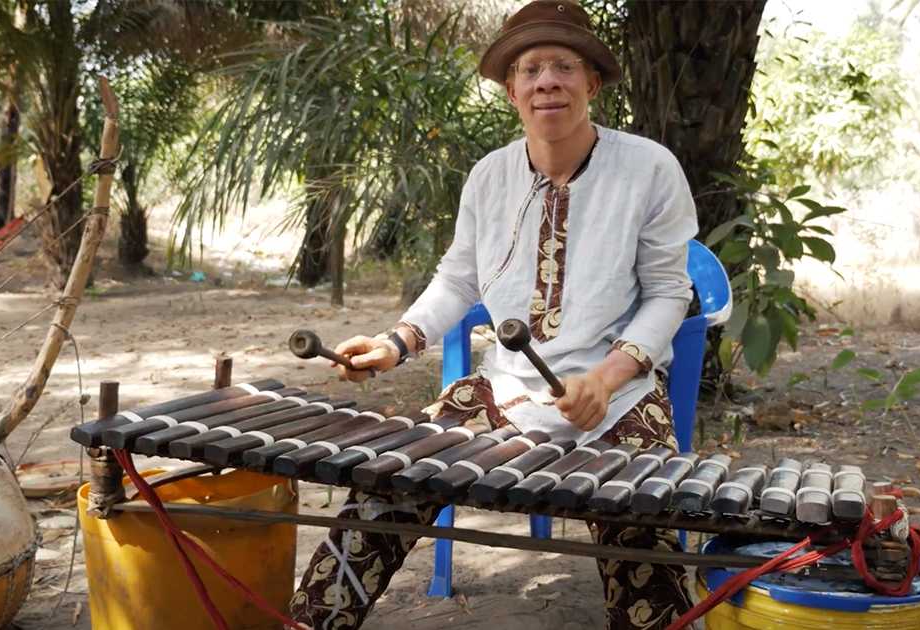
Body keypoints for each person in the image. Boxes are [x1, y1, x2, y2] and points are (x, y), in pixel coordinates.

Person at [289, 2, 698, 628]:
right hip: (501, 393)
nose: (547, 82)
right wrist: (396, 343)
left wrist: (609, 377)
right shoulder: (488, 176)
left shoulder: (650, 168)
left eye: (565, 65)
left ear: (591, 82)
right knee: (385, 488)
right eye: (531, 68)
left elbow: (670, 293)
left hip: (618, 398)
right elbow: (457, 278)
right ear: (512, 89)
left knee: (644, 528)